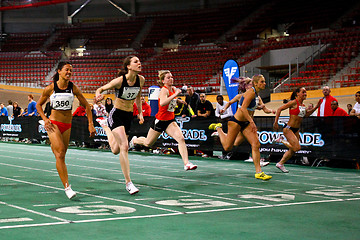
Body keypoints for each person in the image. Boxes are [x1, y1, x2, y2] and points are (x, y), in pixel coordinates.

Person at [36, 61, 96, 199]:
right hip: (54, 124)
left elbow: (87, 106)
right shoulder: (50, 88)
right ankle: (67, 187)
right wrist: (45, 119)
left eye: (71, 70)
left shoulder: (73, 88)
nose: (69, 72)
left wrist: (90, 124)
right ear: (59, 71)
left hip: (67, 125)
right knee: (60, 153)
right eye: (66, 70)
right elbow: (39, 105)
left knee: (61, 154)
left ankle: (54, 145)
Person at [95, 55, 145, 195]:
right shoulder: (119, 81)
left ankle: (105, 127)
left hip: (128, 116)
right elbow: (101, 88)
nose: (139, 63)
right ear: (128, 66)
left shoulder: (141, 80)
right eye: (136, 61)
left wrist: (140, 113)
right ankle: (128, 183)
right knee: (124, 146)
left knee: (116, 150)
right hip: (116, 114)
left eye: (139, 61)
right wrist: (98, 95)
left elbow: (139, 97)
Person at [209, 75, 273, 180]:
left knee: (255, 144)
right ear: (255, 83)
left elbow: (259, 109)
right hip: (236, 122)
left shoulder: (257, 95)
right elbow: (243, 108)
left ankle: (259, 172)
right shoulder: (250, 93)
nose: (264, 83)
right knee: (227, 147)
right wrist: (252, 122)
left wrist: (271, 111)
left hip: (245, 123)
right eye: (262, 81)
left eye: (264, 81)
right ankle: (218, 128)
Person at [130, 70, 197, 171]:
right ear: (163, 80)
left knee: (181, 139)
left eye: (171, 77)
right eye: (168, 77)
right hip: (160, 121)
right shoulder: (164, 90)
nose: (171, 79)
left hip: (170, 120)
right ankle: (135, 140)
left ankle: (186, 163)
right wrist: (175, 95)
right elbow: (162, 103)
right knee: (148, 143)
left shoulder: (173, 89)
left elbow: (171, 100)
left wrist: (178, 100)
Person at [273, 87, 320, 173]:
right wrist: (275, 122)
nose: (305, 94)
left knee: (293, 150)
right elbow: (279, 109)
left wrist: (316, 106)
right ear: (297, 94)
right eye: (303, 92)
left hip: (296, 129)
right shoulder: (293, 103)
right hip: (288, 129)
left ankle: (280, 163)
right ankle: (281, 140)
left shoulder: (303, 106)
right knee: (297, 148)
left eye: (306, 92)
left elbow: (306, 115)